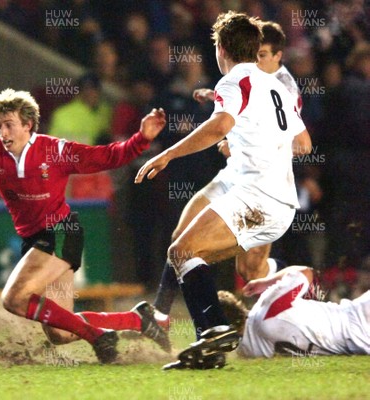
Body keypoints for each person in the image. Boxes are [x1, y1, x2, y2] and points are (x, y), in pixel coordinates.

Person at [0, 88, 169, 363]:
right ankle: (137, 319)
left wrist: (141, 139)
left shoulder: (54, 151)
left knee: (13, 298)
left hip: (61, 232)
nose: (2, 132)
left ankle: (97, 336)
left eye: (8, 125)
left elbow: (106, 156)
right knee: (61, 332)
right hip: (34, 240)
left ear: (28, 125)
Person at [135, 11, 311, 369]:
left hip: (255, 198)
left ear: (222, 48)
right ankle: (211, 344)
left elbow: (219, 126)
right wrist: (248, 142)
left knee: (182, 250)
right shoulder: (276, 85)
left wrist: (167, 154)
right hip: (280, 204)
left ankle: (210, 326)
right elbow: (302, 141)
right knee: (215, 259)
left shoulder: (234, 81)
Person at [215, 265, 369, 358]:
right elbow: (307, 273)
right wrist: (266, 282)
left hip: (356, 341)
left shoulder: (247, 352)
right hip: (357, 317)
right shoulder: (267, 308)